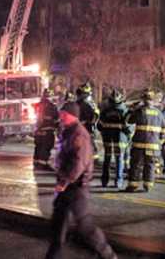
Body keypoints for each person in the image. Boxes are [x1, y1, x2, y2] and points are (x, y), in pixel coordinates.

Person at [46, 102, 117, 259]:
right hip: (66, 187)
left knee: (85, 226)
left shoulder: (79, 134)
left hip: (76, 188)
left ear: (72, 116)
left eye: (64, 114)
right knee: (58, 224)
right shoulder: (68, 132)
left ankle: (107, 254)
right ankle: (53, 255)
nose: (61, 117)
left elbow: (79, 163)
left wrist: (64, 182)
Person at [126, 89, 165, 192]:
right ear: (153, 100)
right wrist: (159, 141)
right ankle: (148, 185)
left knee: (136, 165)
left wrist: (131, 109)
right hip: (153, 145)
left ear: (143, 100)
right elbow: (164, 128)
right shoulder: (159, 113)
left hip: (139, 145)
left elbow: (129, 121)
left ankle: (133, 185)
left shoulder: (139, 111)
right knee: (150, 165)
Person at [97, 89, 131, 188]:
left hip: (108, 139)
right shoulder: (124, 110)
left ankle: (104, 181)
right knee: (119, 159)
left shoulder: (105, 110)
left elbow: (99, 126)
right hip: (120, 140)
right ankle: (118, 182)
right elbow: (128, 128)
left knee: (107, 159)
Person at [34, 88, 59, 167]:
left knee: (38, 146)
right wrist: (57, 127)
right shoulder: (52, 107)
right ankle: (43, 164)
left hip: (38, 131)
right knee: (46, 146)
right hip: (48, 130)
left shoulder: (37, 105)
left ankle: (36, 162)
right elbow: (56, 119)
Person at [76, 83, 100, 159]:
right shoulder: (79, 103)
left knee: (90, 143)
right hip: (80, 127)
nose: (79, 95)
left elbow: (95, 115)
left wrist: (90, 123)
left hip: (87, 128)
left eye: (81, 93)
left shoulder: (89, 104)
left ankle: (93, 159)